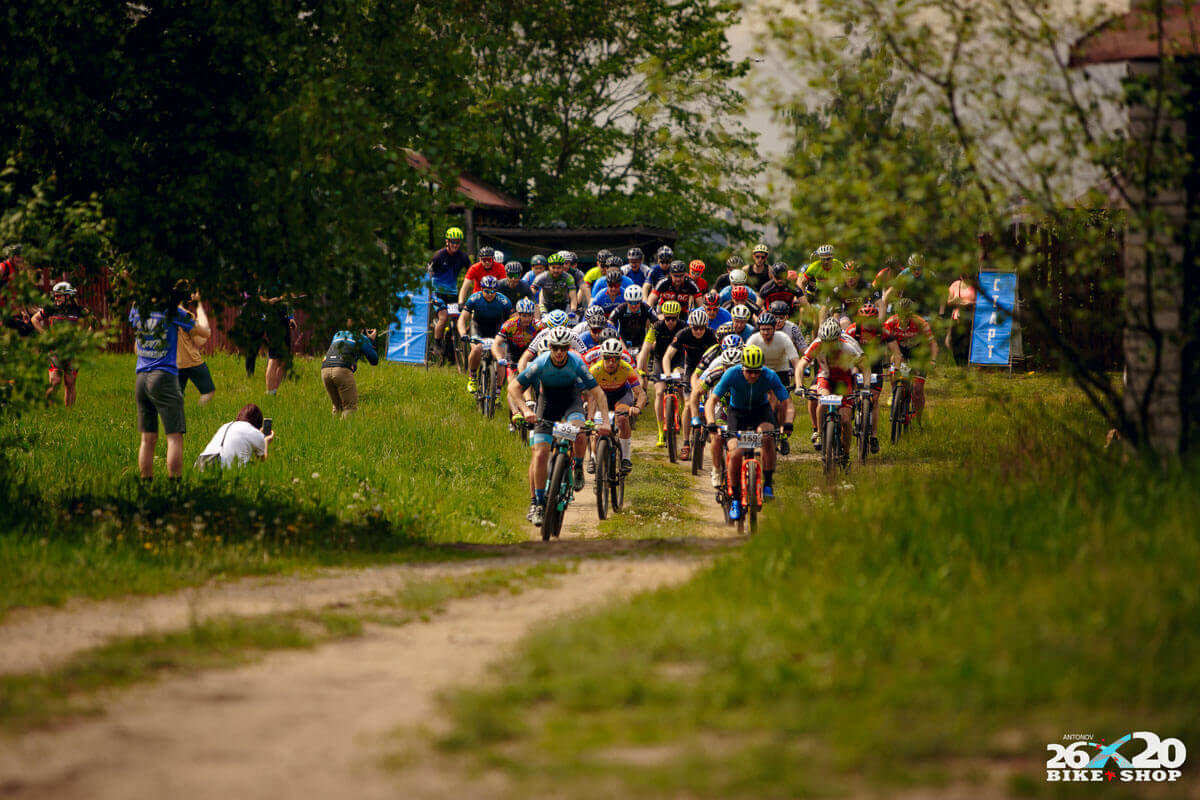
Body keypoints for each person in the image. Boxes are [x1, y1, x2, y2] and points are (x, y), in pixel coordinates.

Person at [509, 327, 611, 527]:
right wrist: (525, 411)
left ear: (568, 348)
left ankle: (579, 467)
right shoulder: (540, 363)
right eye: (555, 348)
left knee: (580, 433)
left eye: (563, 348)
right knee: (539, 454)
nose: (559, 352)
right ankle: (538, 503)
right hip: (546, 407)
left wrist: (605, 421)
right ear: (549, 347)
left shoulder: (576, 363)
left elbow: (598, 393)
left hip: (570, 404)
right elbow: (514, 387)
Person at [705, 345, 793, 517]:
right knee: (736, 452)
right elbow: (711, 400)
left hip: (761, 411)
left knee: (767, 435)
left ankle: (768, 483)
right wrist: (710, 422)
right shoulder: (731, 374)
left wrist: (788, 423)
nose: (753, 375)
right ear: (742, 368)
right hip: (737, 414)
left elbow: (787, 403)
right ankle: (736, 499)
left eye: (757, 372)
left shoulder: (770, 376)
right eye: (749, 372)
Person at [129, 288, 208, 479]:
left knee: (147, 439)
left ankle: (146, 485)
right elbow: (204, 333)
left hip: (141, 378)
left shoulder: (138, 307)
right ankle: (175, 489)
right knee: (174, 437)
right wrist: (198, 305)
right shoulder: (173, 311)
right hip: (164, 376)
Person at [797, 317, 873, 459]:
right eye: (826, 342)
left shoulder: (848, 345)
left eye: (832, 342)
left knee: (845, 419)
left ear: (838, 338)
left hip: (844, 379)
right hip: (826, 376)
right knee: (823, 400)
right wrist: (799, 385)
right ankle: (819, 433)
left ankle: (846, 454)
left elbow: (866, 367)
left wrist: (866, 387)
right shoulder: (817, 344)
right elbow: (801, 365)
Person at [662, 307, 719, 459]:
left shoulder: (713, 336)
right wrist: (668, 375)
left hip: (709, 368)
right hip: (691, 368)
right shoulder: (683, 334)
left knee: (710, 399)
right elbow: (667, 356)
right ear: (690, 326)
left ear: (706, 326)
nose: (699, 331)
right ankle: (686, 443)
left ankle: (709, 424)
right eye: (695, 328)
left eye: (702, 328)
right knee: (687, 404)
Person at [589, 337, 647, 474]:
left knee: (622, 419)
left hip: (621, 395)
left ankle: (626, 458)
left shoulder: (626, 368)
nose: (611, 362)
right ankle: (592, 457)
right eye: (607, 358)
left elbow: (641, 393)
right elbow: (587, 394)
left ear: (620, 358)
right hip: (602, 397)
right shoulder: (595, 370)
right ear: (602, 356)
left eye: (614, 358)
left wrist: (637, 407)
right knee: (595, 425)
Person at [31, 281, 91, 406]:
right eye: (55, 295)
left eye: (58, 295)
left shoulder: (79, 310)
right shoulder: (51, 308)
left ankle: (69, 414)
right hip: (55, 351)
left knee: (70, 383)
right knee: (55, 381)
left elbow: (94, 323)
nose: (55, 298)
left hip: (72, 351)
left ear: (68, 296)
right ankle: (49, 414)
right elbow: (34, 319)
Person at [635, 300, 684, 447]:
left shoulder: (683, 326)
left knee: (680, 386)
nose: (670, 322)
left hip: (678, 361)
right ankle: (660, 431)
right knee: (659, 392)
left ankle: (681, 414)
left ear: (678, 317)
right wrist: (639, 369)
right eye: (667, 318)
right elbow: (645, 348)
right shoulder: (656, 326)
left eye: (673, 318)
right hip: (659, 360)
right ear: (663, 317)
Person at [884, 297, 938, 425]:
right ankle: (895, 392)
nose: (904, 318)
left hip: (919, 354)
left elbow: (933, 344)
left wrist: (933, 361)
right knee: (895, 361)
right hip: (901, 352)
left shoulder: (920, 323)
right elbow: (883, 342)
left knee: (918, 390)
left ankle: (918, 420)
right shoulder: (890, 322)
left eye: (907, 315)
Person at [458, 276, 514, 393]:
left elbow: (514, 319)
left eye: (493, 291)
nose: (490, 294)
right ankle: (472, 377)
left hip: (497, 329)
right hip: (478, 327)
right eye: (487, 291)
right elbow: (462, 318)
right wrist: (463, 333)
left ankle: (497, 391)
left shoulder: (504, 301)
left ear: (496, 290)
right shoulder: (474, 298)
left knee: (500, 357)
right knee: (477, 349)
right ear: (481, 289)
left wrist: (513, 333)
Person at [845, 302, 888, 453]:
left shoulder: (882, 330)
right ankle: (852, 408)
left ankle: (874, 436)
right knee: (851, 390)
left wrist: (894, 364)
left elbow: (895, 349)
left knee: (874, 399)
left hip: (875, 366)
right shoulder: (852, 330)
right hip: (857, 363)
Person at [429, 227, 472, 353]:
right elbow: (428, 273)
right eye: (453, 242)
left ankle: (450, 344)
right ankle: (437, 343)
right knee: (443, 317)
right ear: (447, 241)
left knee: (458, 319)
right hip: (437, 292)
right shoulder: (438, 256)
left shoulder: (463, 257)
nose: (455, 245)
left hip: (453, 294)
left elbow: (472, 272)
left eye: (458, 242)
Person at [320, 326, 379, 417]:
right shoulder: (361, 338)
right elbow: (374, 360)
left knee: (337, 407)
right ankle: (343, 431)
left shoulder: (338, 334)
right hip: (342, 369)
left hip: (325, 369)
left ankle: (333, 429)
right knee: (350, 408)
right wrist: (370, 340)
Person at [195, 403, 274, 469]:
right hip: (222, 469)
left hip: (201, 464)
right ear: (258, 422)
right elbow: (262, 461)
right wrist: (265, 441)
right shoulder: (255, 433)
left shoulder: (226, 425)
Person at [176, 291, 215, 405]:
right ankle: (199, 412)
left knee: (176, 396)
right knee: (208, 391)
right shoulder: (185, 315)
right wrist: (199, 305)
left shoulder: (165, 313)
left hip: (173, 361)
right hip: (191, 360)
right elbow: (200, 340)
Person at [608, 285, 657, 352]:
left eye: (636, 302)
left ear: (640, 301)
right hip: (623, 342)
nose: (634, 305)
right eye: (631, 302)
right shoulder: (620, 308)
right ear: (626, 301)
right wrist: (617, 338)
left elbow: (657, 324)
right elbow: (609, 324)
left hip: (641, 342)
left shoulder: (646, 308)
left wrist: (653, 340)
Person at [943, 269, 977, 364]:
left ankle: (968, 362)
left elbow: (981, 301)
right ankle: (958, 363)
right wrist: (955, 300)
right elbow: (948, 301)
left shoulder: (976, 286)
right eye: (963, 276)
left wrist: (969, 303)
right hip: (957, 317)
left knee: (968, 341)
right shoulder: (955, 285)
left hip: (972, 317)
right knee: (955, 341)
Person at [532, 252, 578, 316]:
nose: (556, 270)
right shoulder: (541, 277)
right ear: (549, 267)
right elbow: (530, 293)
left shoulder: (568, 277)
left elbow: (573, 297)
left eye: (558, 268)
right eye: (553, 267)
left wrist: (573, 311)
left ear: (562, 267)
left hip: (563, 305)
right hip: (546, 305)